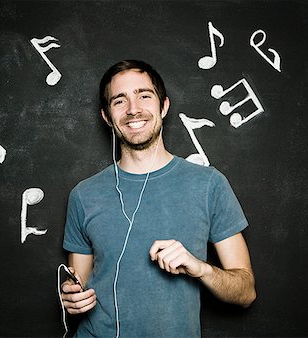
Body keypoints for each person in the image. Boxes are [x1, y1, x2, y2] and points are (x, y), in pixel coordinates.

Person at [61, 60, 256, 337]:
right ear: (106, 116)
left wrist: (200, 268)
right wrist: (71, 298)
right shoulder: (83, 195)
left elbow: (245, 293)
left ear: (163, 106)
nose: (133, 109)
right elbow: (77, 285)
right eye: (120, 101)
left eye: (144, 95)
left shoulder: (209, 184)